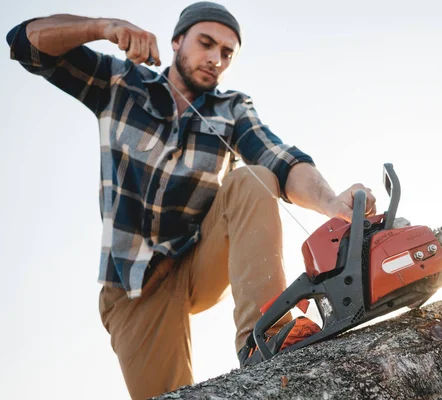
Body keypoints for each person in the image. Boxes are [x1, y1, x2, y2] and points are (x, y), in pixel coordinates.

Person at [7, 2, 377, 399]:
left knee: (254, 178)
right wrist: (104, 26)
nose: (216, 58)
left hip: (199, 259)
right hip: (133, 287)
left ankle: (267, 335)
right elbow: (26, 44)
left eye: (227, 53)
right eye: (206, 43)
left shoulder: (231, 108)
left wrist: (331, 203)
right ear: (177, 40)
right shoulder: (120, 84)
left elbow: (280, 159)